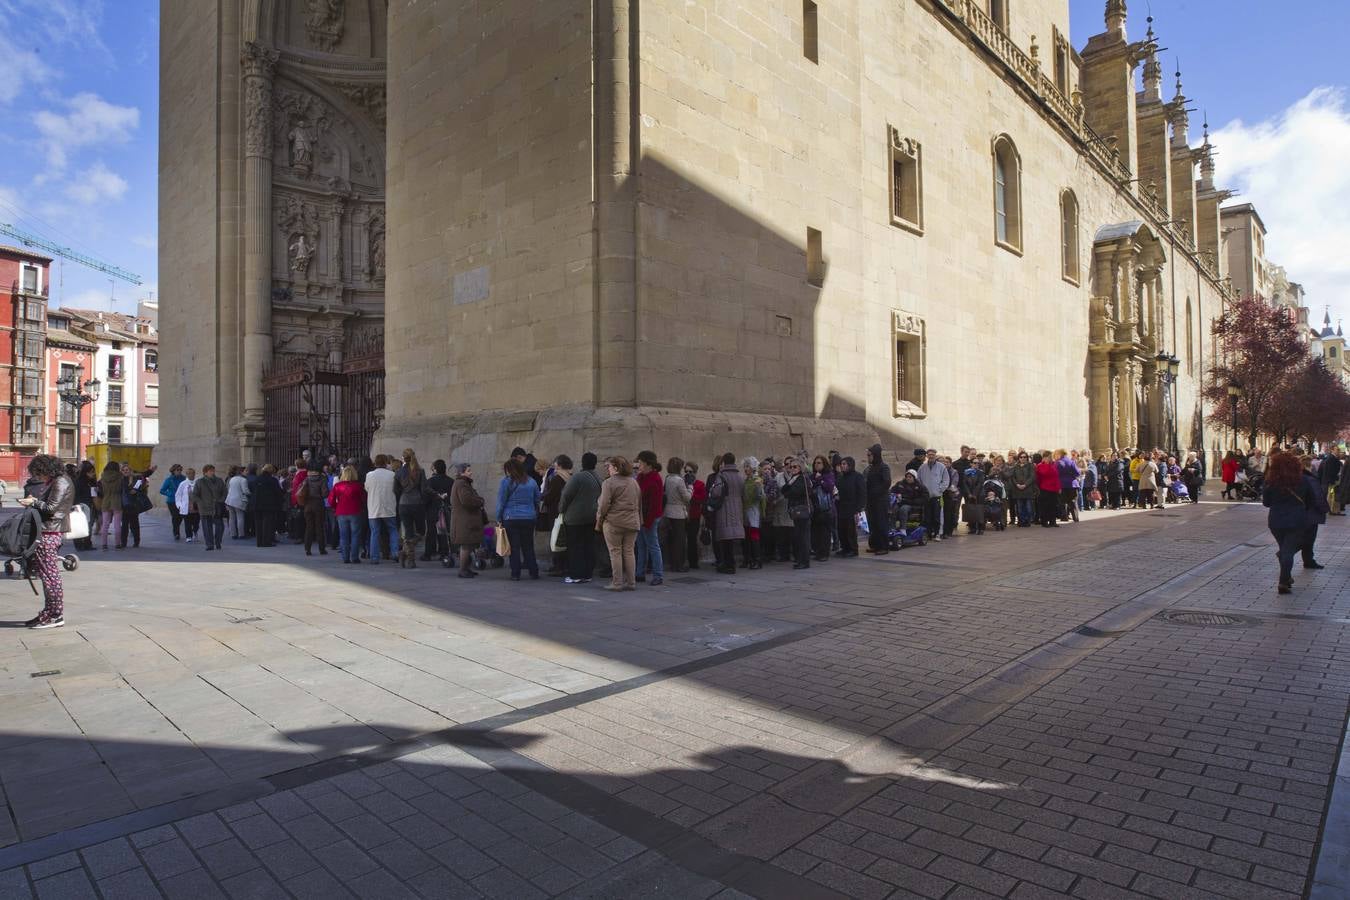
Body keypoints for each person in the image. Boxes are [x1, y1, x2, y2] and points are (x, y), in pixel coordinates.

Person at [18, 455, 74, 629]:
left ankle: (55, 615)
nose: (38, 477)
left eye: (39, 473)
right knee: (46, 574)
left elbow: (51, 508)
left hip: (50, 531)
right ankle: (49, 612)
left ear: (46, 469)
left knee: (50, 575)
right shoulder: (56, 481)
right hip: (47, 530)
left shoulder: (61, 481)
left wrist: (34, 502)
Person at [1263, 451, 1315, 595]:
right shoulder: (1303, 480)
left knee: (1285, 550)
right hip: (1296, 520)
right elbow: (1311, 501)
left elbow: (1266, 503)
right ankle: (1283, 581)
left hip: (1276, 521)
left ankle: (1286, 578)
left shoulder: (1270, 481)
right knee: (1287, 551)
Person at [596, 456, 641, 591]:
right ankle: (631, 582)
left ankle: (617, 583)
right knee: (629, 552)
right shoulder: (633, 482)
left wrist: (600, 518)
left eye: (609, 466)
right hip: (632, 521)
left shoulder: (608, 483)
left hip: (614, 521)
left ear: (615, 467)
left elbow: (604, 504)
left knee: (615, 552)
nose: (608, 469)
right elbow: (639, 502)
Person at [559, 453, 603, 584]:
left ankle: (576, 574)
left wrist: (561, 510)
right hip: (592, 517)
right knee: (588, 546)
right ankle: (587, 573)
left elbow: (566, 496)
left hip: (575, 518)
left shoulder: (577, 477)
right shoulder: (598, 478)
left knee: (575, 547)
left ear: (583, 462)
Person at [496, 457, 541, 581]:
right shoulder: (531, 481)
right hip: (529, 518)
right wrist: (533, 512)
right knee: (528, 546)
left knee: (514, 547)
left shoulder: (506, 482)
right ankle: (534, 572)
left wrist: (498, 517)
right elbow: (537, 499)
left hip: (511, 518)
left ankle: (515, 573)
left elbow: (501, 502)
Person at [708, 452, 746, 575]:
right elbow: (743, 492)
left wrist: (712, 490)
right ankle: (731, 563)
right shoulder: (740, 476)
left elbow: (716, 492)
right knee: (731, 538)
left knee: (725, 539)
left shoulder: (722, 475)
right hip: (737, 509)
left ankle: (728, 564)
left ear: (724, 462)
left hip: (724, 509)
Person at [447, 463, 486, 577]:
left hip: (466, 520)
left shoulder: (463, 483)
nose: (471, 472)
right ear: (462, 472)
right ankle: (463, 570)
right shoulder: (461, 484)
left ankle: (466, 569)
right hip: (465, 521)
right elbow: (466, 500)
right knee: (466, 546)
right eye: (468, 470)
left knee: (469, 545)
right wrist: (480, 501)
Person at [633, 451, 665, 586]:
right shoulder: (641, 477)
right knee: (641, 545)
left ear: (648, 464)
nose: (638, 465)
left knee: (653, 546)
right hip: (640, 515)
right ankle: (640, 573)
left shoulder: (655, 478)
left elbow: (655, 503)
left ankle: (658, 575)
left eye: (640, 462)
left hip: (651, 516)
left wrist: (648, 521)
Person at [539, 455, 572, 575]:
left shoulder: (557, 478)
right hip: (567, 513)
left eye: (556, 465)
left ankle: (559, 566)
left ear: (560, 465)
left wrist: (542, 498)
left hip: (555, 513)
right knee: (564, 540)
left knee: (557, 539)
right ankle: (563, 565)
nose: (554, 467)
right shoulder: (571, 477)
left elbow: (550, 496)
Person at [365, 454, 399, 563]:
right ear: (386, 462)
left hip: (374, 507)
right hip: (389, 506)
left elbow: (367, 488)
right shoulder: (392, 474)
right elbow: (396, 489)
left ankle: (374, 557)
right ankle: (395, 552)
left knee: (375, 532)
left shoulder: (370, 475)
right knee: (393, 530)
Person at [394, 448, 428, 562]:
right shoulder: (420, 471)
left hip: (403, 503)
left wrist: (402, 496)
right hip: (417, 503)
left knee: (408, 532)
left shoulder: (399, 472)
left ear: (403, 458)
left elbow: (395, 490)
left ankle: (408, 556)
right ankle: (408, 553)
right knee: (421, 531)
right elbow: (424, 489)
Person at [780, 456, 812, 569]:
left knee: (803, 537)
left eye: (795, 467)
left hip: (802, 509)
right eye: (791, 467)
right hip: (795, 510)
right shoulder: (793, 478)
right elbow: (783, 489)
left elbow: (793, 492)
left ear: (800, 467)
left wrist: (788, 491)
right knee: (798, 536)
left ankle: (804, 561)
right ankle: (800, 559)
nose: (792, 469)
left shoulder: (803, 478)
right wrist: (789, 485)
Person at [330, 465, 366, 563]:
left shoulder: (337, 486)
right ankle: (354, 557)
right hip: (355, 511)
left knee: (344, 535)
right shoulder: (358, 486)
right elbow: (364, 498)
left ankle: (345, 557)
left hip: (341, 512)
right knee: (355, 535)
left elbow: (331, 500)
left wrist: (335, 507)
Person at [1300, 456, 1330, 572]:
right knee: (1308, 538)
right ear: (1308, 466)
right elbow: (1318, 496)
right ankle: (1287, 553)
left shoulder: (1297, 477)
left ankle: (1308, 560)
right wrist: (1324, 508)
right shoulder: (1310, 479)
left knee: (1305, 537)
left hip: (1301, 512)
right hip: (1311, 513)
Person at [661, 456, 691, 573]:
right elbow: (687, 497)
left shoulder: (668, 478)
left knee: (672, 539)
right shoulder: (679, 480)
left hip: (668, 511)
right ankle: (679, 564)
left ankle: (673, 563)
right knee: (680, 540)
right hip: (678, 512)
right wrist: (691, 488)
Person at [119, 462, 155, 548]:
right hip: (124, 505)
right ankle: (123, 542)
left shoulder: (136, 478)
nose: (125, 471)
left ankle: (136, 541)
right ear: (121, 472)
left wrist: (136, 489)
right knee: (124, 525)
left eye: (127, 470)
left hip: (133, 504)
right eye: (123, 470)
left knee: (134, 524)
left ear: (130, 470)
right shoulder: (121, 480)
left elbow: (143, 476)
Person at [916, 449, 950, 541]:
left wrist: (940, 489)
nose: (931, 456)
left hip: (937, 496)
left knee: (937, 516)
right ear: (927, 456)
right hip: (926, 497)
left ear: (935, 456)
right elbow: (918, 480)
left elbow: (946, 480)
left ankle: (937, 533)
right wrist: (922, 490)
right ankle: (929, 533)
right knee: (927, 516)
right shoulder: (922, 467)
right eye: (929, 454)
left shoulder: (941, 467)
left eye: (932, 455)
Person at [864, 444, 892, 553]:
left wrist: (876, 491)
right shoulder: (871, 468)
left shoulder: (884, 467)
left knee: (881, 523)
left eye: (869, 455)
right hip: (871, 500)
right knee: (873, 523)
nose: (868, 458)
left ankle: (884, 547)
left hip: (881, 500)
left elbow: (887, 482)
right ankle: (875, 545)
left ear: (875, 455)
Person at [834, 456, 864, 558]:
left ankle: (853, 549)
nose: (842, 466)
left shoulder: (857, 476)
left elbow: (861, 493)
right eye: (841, 464)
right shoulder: (841, 478)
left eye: (844, 464)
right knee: (841, 529)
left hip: (852, 507)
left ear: (850, 465)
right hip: (842, 506)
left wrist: (859, 508)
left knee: (850, 530)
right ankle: (845, 548)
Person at [425, 460, 455, 560]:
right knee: (444, 531)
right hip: (446, 508)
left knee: (431, 532)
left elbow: (427, 496)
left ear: (435, 469)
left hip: (433, 509)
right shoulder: (451, 481)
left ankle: (429, 553)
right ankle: (444, 552)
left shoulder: (430, 481)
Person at [298, 463, 330, 556]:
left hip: (308, 504)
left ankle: (307, 549)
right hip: (318, 504)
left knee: (309, 527)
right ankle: (322, 549)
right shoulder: (322, 479)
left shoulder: (307, 479)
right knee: (319, 527)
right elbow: (325, 494)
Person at [808, 455, 835, 561]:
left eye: (819, 463)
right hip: (815, 508)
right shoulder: (812, 476)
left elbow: (829, 487)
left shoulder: (828, 475)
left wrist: (820, 479)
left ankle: (824, 553)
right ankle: (818, 552)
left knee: (825, 532)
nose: (816, 465)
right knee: (816, 532)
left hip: (825, 508)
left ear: (824, 464)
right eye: (815, 463)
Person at [252, 465, 285, 547]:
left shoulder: (257, 479)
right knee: (267, 524)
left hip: (257, 503)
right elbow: (278, 492)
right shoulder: (273, 480)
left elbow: (253, 490)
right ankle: (266, 542)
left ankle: (259, 542)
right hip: (269, 504)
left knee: (258, 523)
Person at [741, 456, 765, 570]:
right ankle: (747, 559)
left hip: (754, 510)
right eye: (745, 466)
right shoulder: (745, 481)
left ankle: (757, 560)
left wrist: (757, 489)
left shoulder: (757, 480)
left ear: (753, 468)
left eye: (748, 466)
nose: (746, 469)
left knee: (754, 535)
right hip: (745, 510)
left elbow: (760, 496)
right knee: (746, 535)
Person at [97, 461, 124, 550]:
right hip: (117, 501)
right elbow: (122, 489)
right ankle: (118, 544)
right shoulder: (120, 477)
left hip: (106, 501)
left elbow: (100, 491)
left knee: (105, 524)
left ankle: (104, 544)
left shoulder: (103, 477)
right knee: (117, 524)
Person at [685, 463, 706, 569]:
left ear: (695, 472)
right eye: (686, 471)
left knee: (692, 538)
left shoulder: (700, 484)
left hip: (694, 515)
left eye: (690, 472)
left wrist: (691, 493)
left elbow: (701, 498)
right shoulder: (682, 483)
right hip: (683, 515)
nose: (688, 474)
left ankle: (693, 561)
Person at [1008, 452, 1037, 526]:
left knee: (1028, 508)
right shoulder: (1015, 466)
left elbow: (1032, 477)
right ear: (1019, 458)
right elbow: (1013, 477)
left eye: (1024, 457)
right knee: (1019, 507)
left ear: (1027, 458)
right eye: (1021, 457)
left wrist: (1025, 484)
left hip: (1028, 489)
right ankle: (1021, 521)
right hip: (1018, 490)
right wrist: (1017, 484)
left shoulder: (1031, 466)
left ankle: (1027, 521)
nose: (1023, 458)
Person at [160, 464, 186, 541]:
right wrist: (170, 494)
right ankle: (176, 533)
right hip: (172, 501)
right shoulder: (169, 480)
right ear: (173, 471)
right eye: (177, 470)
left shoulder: (184, 478)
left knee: (181, 516)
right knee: (175, 516)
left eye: (180, 470)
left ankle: (176, 528)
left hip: (182, 501)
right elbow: (162, 490)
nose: (179, 471)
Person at [1034, 453, 1060, 527]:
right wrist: (1047, 464)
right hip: (1045, 488)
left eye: (1050, 457)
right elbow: (1044, 473)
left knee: (1053, 505)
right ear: (1044, 458)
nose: (1050, 458)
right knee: (1045, 506)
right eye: (1048, 457)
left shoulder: (1053, 465)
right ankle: (1044, 521)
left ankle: (1053, 521)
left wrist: (1058, 487)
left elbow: (1056, 476)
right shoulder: (1040, 466)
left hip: (1054, 488)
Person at [226, 465, 251, 538]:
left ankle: (233, 534)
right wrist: (251, 493)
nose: (247, 472)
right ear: (241, 472)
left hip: (229, 500)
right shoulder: (243, 480)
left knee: (232, 518)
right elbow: (245, 491)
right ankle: (241, 534)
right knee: (240, 517)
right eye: (245, 471)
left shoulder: (232, 479)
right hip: (239, 500)